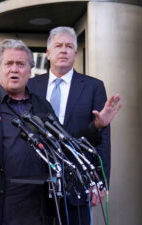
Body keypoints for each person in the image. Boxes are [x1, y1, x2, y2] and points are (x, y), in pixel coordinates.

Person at [0, 39, 120, 225]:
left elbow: (65, 144)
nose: (14, 69)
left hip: (36, 207)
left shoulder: (41, 105)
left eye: (21, 64)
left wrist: (97, 125)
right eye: (8, 64)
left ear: (30, 71)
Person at [27, 26, 117, 225]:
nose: (64, 50)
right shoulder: (31, 87)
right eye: (58, 45)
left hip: (78, 183)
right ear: (48, 53)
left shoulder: (93, 86)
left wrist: (100, 182)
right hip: (37, 184)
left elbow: (102, 140)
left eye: (69, 46)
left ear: (75, 54)